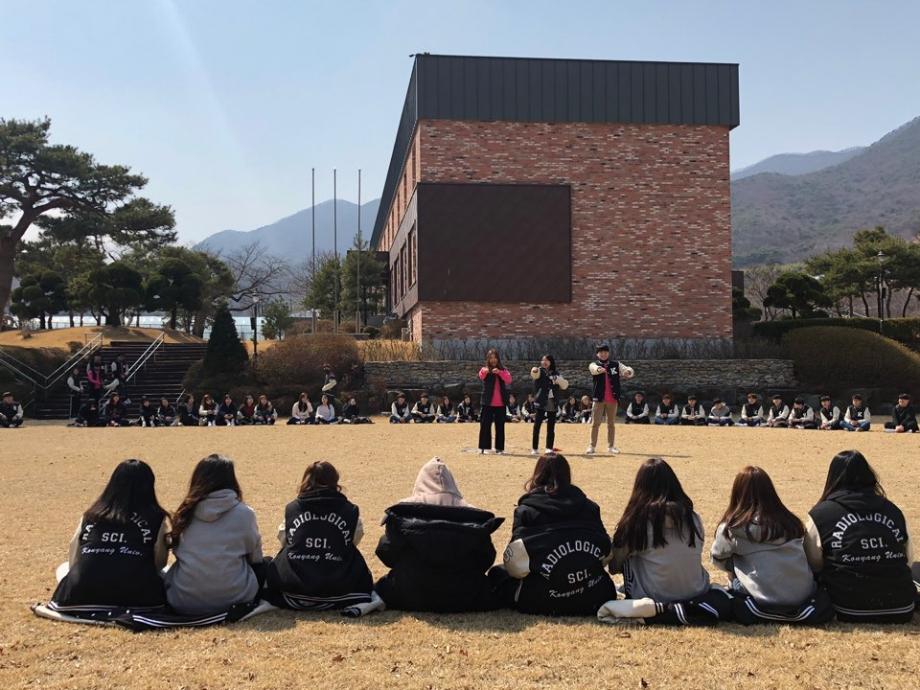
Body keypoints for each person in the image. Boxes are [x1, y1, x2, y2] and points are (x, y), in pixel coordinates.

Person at [599, 458, 732, 626]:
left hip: (653, 596)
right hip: (695, 592)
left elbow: (615, 566)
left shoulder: (638, 521)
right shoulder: (693, 518)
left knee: (629, 553)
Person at [375, 458, 504, 612]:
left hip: (409, 592)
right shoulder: (474, 519)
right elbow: (486, 558)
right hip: (466, 594)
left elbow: (386, 552)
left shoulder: (402, 514)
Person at [710, 466, 832, 625]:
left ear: (737, 493)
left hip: (762, 598)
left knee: (733, 563)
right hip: (802, 595)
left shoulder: (732, 528)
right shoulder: (790, 522)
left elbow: (717, 558)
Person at [48, 459, 169, 618]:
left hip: (81, 595)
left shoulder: (91, 515)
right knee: (168, 573)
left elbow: (74, 557)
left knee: (63, 568)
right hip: (138, 598)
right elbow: (159, 563)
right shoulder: (156, 518)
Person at [806, 450, 915, 622]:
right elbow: (907, 559)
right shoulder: (893, 511)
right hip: (901, 606)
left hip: (847, 607)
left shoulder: (820, 515)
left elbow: (813, 563)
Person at [500, 454, 616, 615]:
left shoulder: (526, 511)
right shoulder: (589, 507)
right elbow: (606, 551)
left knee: (498, 574)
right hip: (594, 594)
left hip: (540, 599)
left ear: (537, 475)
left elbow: (515, 566)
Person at [264, 461, 373, 610]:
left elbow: (285, 539)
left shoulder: (293, 508)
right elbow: (354, 539)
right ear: (335, 481)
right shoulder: (350, 510)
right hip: (339, 587)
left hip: (294, 588)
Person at [164, 454, 264, 615]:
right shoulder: (244, 514)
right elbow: (255, 557)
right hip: (235, 597)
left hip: (184, 599)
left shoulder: (185, 513)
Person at [586, 343, 634, 455]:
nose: (603, 354)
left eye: (605, 352)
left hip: (612, 398)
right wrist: (599, 369)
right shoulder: (594, 364)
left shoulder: (616, 364)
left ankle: (611, 446)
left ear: (608, 353)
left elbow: (627, 369)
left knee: (611, 424)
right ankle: (592, 446)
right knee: (595, 423)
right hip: (598, 399)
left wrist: (628, 372)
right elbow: (593, 369)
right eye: (601, 352)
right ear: (597, 354)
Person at [530, 354, 568, 455]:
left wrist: (557, 379)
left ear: (551, 362)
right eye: (543, 360)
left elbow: (565, 385)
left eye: (547, 360)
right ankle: (534, 448)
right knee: (537, 425)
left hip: (552, 401)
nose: (544, 362)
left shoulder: (556, 373)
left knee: (551, 426)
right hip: (541, 400)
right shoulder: (539, 371)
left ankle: (549, 447)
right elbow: (534, 374)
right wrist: (534, 370)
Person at [478, 348, 512, 455]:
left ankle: (499, 448)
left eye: (495, 357)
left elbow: (509, 379)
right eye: (491, 358)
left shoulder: (504, 370)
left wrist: (500, 372)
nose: (493, 360)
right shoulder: (484, 369)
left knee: (500, 426)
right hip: (487, 402)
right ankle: (484, 447)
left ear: (498, 359)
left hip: (501, 403)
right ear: (488, 359)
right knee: (485, 425)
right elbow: (481, 375)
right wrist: (486, 371)